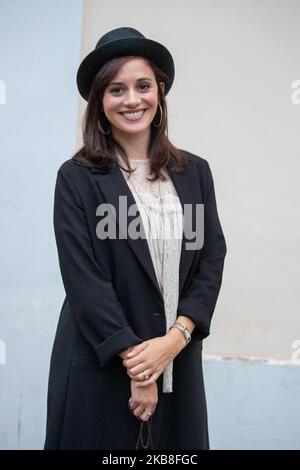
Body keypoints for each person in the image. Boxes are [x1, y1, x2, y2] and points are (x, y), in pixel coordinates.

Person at [44, 27, 227, 450]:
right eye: (116, 89)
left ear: (160, 93)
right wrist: (141, 367)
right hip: (101, 360)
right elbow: (84, 279)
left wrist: (175, 339)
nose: (131, 100)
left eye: (143, 86)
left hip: (177, 358)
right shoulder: (76, 178)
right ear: (98, 100)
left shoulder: (193, 172)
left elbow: (211, 260)